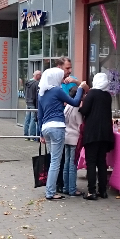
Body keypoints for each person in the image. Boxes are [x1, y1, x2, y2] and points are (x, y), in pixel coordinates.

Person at [37, 66, 87, 201]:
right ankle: (50, 192)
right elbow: (76, 102)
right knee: (55, 162)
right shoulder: (57, 91)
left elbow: (40, 115)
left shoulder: (41, 93)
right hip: (57, 127)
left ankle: (50, 189)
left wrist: (40, 134)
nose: (61, 79)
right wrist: (81, 88)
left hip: (46, 128)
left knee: (53, 160)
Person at [79, 73, 114, 200]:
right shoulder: (107, 96)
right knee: (102, 162)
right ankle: (103, 190)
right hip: (105, 133)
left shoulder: (92, 94)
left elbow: (85, 110)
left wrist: (80, 105)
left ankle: (91, 191)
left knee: (91, 162)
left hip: (92, 132)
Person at [62, 85, 85, 196]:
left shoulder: (67, 106)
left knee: (66, 163)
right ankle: (72, 189)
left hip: (66, 136)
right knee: (73, 164)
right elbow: (80, 125)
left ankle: (66, 187)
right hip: (74, 138)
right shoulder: (76, 109)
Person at [23, 70, 41, 140]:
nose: (41, 76)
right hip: (33, 103)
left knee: (27, 119)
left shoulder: (27, 82)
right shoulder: (36, 83)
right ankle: (32, 136)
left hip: (27, 102)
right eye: (40, 75)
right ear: (37, 75)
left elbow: (25, 92)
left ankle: (26, 135)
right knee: (33, 119)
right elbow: (37, 95)